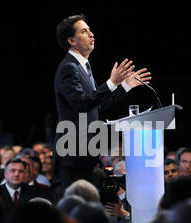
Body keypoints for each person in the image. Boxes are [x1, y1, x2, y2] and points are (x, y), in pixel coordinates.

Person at [54, 14, 151, 192]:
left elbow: (97, 106)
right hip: (74, 150)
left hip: (86, 149)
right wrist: (111, 83)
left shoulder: (84, 66)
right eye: (84, 31)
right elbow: (81, 104)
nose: (92, 34)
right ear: (71, 40)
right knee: (77, 206)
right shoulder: (69, 67)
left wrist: (125, 87)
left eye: (90, 30)